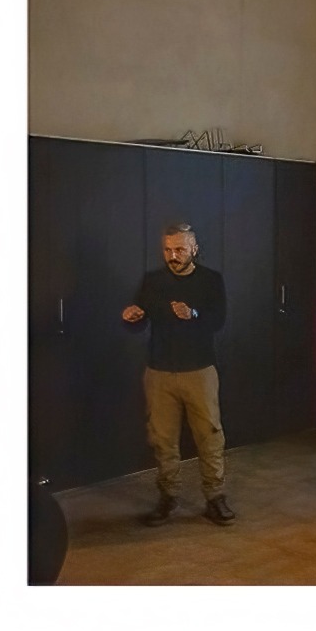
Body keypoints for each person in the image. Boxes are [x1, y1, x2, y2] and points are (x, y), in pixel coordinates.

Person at [122, 223, 234, 527]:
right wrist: (132, 317)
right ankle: (168, 496)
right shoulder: (153, 281)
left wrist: (193, 314)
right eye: (168, 250)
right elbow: (140, 321)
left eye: (180, 250)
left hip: (199, 370)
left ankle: (215, 497)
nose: (173, 256)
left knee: (209, 436)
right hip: (159, 372)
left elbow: (218, 321)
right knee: (162, 439)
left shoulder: (210, 280)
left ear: (194, 249)